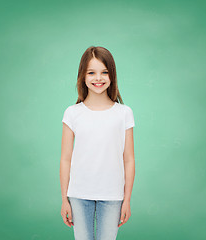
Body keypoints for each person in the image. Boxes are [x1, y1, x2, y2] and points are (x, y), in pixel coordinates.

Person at [60, 46, 135, 240]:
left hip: (112, 195)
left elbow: (129, 159)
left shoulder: (124, 113)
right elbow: (66, 159)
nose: (98, 78)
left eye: (104, 72)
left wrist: (127, 200)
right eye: (91, 73)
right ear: (83, 77)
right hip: (79, 193)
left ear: (112, 76)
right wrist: (64, 200)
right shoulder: (72, 113)